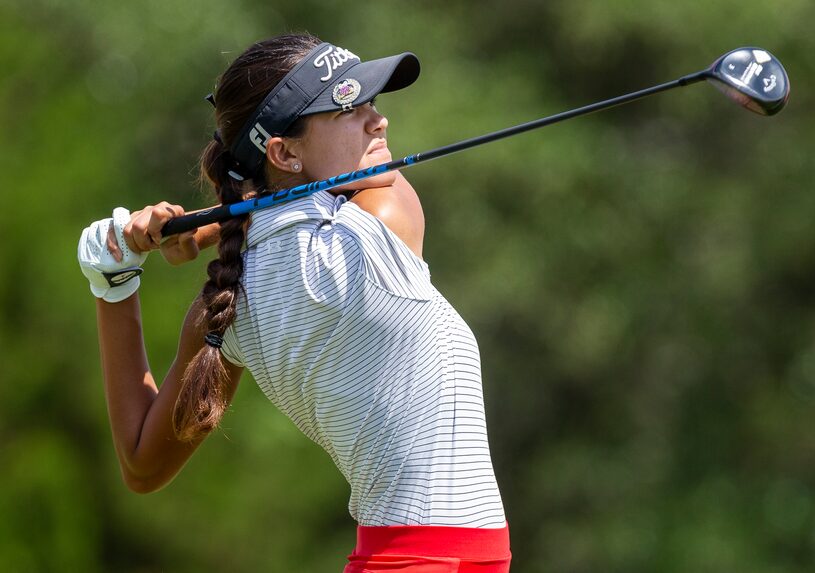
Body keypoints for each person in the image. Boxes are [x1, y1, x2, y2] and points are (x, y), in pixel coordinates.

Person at [78, 33, 511, 572]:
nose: (379, 122)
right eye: (350, 109)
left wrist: (113, 277)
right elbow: (315, 204)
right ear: (283, 152)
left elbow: (143, 464)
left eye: (372, 104)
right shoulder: (379, 227)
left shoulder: (225, 305)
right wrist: (204, 230)